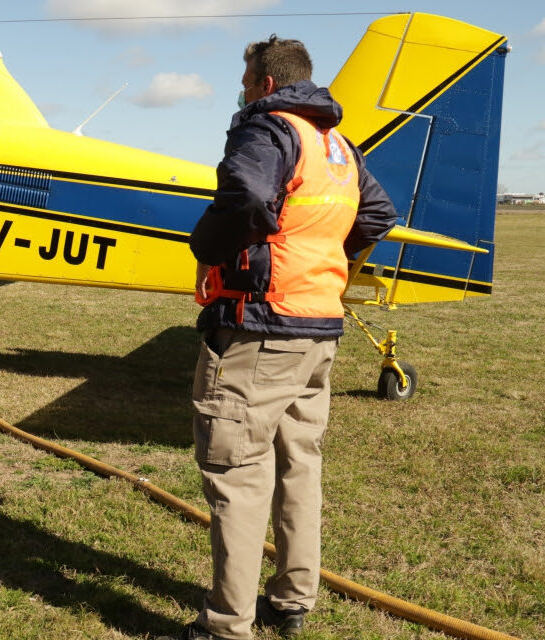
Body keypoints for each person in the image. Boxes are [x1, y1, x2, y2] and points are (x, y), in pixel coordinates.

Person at [172, 36, 397, 640]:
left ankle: (225, 626)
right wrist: (323, 259)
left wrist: (207, 247)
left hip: (259, 328)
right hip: (319, 329)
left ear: (266, 85)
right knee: (299, 465)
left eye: (246, 82)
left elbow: (244, 195)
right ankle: (293, 598)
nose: (242, 91)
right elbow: (377, 214)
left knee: (237, 474)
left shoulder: (267, 128)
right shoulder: (335, 144)